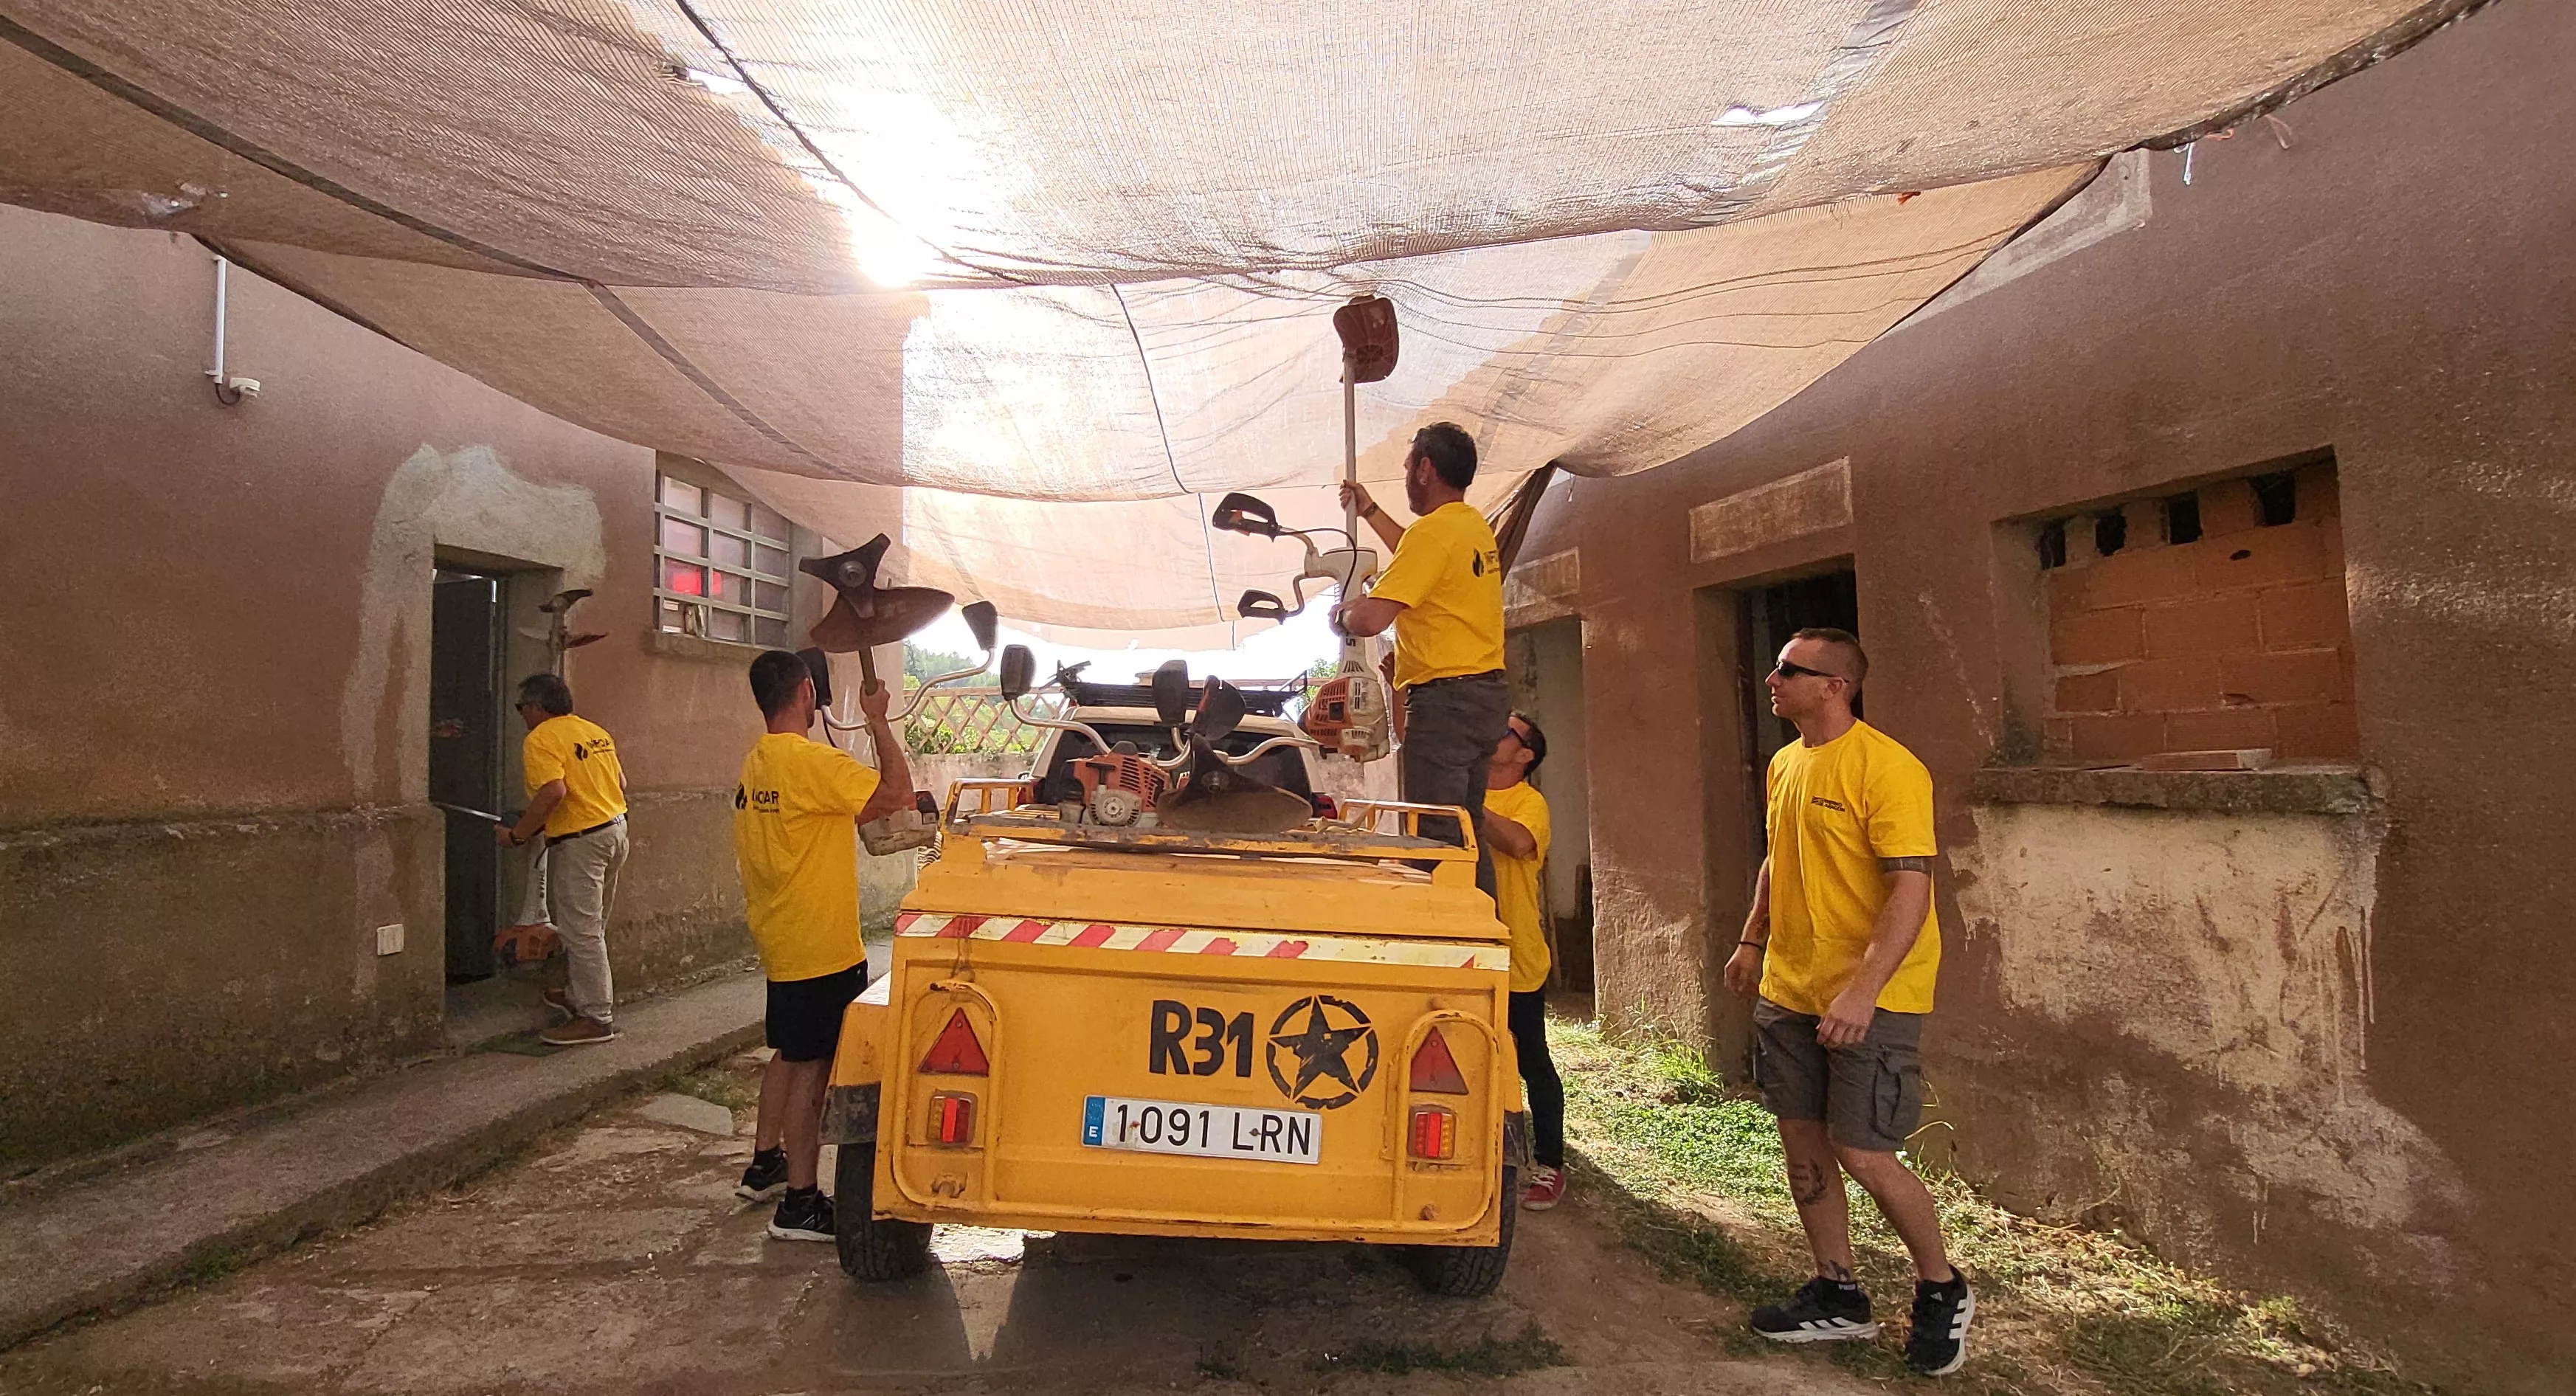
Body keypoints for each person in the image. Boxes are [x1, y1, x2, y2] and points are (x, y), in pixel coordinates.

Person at [1722, 628, 1972, 1377]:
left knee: (1861, 1147)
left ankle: (1940, 1284)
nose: (1770, 677)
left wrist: (1863, 986)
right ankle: (1836, 1289)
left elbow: (1911, 885)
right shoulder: (1783, 762)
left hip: (1870, 996)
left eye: (1787, 670)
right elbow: (1777, 853)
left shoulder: (1888, 768)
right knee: (1802, 1140)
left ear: (1833, 684)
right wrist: (1749, 938)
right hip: (1788, 988)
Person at [730, 649, 919, 1243]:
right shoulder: (811, 762)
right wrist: (878, 719)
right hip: (820, 943)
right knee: (814, 1072)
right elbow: (896, 793)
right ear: (808, 693)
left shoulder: (758, 761)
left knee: (789, 1053)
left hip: (782, 934)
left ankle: (765, 1164)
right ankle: (801, 1202)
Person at [1336, 422, 1509, 894]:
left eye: (1409, 464)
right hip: (1484, 696)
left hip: (1446, 704)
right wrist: (1368, 511)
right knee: (1466, 829)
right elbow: (1414, 555)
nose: (1406, 472)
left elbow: (1372, 620)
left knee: (1434, 836)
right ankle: (1483, 935)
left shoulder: (1432, 536)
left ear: (1425, 469)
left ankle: (1451, 945)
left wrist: (1344, 615)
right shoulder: (1471, 527)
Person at [498, 674, 628, 1047]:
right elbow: (621, 784)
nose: (522, 715)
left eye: (522, 707)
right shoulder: (595, 732)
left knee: (581, 932)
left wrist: (518, 834)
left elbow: (554, 790)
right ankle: (579, 994)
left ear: (538, 707)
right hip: (615, 830)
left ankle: (596, 1017)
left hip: (582, 842)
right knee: (591, 927)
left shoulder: (540, 739)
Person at [1479, 711, 1567, 1211]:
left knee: (1531, 1060)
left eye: (1506, 729)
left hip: (1515, 955)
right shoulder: (1469, 785)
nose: (1495, 730)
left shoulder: (1528, 803)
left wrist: (1470, 801)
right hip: (1466, 949)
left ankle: (1550, 1163)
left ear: (1524, 754)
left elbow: (1517, 843)